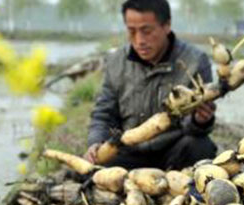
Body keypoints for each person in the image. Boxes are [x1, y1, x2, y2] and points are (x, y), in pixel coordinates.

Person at [84, 0, 217, 170]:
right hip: (129, 152)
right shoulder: (116, 61)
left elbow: (196, 129)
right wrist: (95, 142)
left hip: (173, 152)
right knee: (90, 168)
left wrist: (200, 121)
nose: (139, 40)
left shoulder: (195, 61)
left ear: (167, 25)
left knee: (200, 146)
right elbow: (103, 114)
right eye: (132, 31)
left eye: (147, 31)